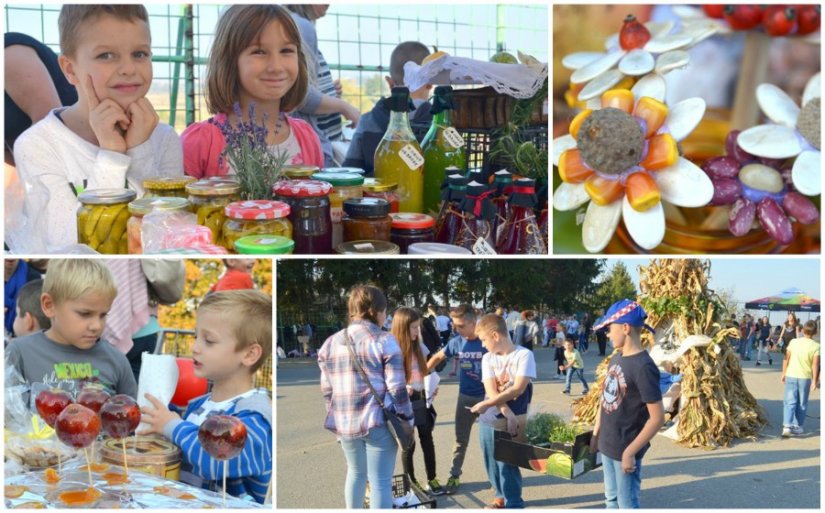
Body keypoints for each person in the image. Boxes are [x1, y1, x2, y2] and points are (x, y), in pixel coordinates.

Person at [11, 6, 183, 253]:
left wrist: (139, 150)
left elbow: (165, 235)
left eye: (140, 54)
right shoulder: (37, 145)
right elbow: (67, 245)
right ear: (70, 69)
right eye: (106, 56)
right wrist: (112, 156)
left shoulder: (164, 139)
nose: (129, 68)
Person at [139, 290, 272, 504]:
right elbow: (184, 450)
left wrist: (172, 425)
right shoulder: (200, 406)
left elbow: (216, 460)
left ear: (249, 355)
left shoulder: (256, 417)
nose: (195, 347)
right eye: (195, 337)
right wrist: (158, 420)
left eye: (208, 341)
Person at [182, 5, 323, 178]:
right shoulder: (199, 142)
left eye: (286, 51)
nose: (276, 67)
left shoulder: (307, 138)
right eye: (259, 52)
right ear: (230, 61)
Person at [317, 285, 411, 509]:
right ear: (376, 311)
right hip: (376, 420)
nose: (385, 316)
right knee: (380, 483)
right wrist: (407, 420)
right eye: (385, 311)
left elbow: (327, 391)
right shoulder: (385, 340)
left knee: (356, 474)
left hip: (345, 423)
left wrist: (337, 424)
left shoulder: (330, 342)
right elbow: (397, 388)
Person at [5, 259, 137, 397]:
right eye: (85, 314)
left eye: (103, 315)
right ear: (49, 305)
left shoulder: (116, 360)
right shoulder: (20, 353)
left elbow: (128, 413)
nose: (97, 326)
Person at [591, 299, 664, 509]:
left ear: (625, 328)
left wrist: (630, 452)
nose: (607, 334)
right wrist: (596, 433)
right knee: (611, 500)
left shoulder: (644, 367)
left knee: (626, 504)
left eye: (609, 328)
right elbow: (604, 399)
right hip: (607, 444)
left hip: (625, 449)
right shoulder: (616, 359)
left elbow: (657, 418)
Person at [469, 314, 535, 509]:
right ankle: (499, 497)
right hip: (492, 417)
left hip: (516, 417)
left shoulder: (524, 355)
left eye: (483, 340)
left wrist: (506, 412)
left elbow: (518, 389)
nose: (482, 345)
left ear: (495, 336)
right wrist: (506, 411)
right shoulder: (487, 358)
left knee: (508, 461)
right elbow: (490, 390)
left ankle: (514, 502)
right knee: (490, 458)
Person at [285, 4, 360, 166]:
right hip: (315, 145)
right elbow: (301, 94)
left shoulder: (299, 24)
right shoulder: (302, 26)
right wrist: (344, 107)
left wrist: (328, 92)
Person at [342, 41, 432, 175]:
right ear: (430, 83)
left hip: (376, 194)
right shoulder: (439, 123)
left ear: (389, 82)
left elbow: (350, 170)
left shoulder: (367, 121)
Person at [426, 304, 486, 495]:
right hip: (466, 398)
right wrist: (422, 374)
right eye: (455, 325)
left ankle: (499, 479)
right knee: (461, 440)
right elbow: (438, 357)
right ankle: (454, 474)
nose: (456, 329)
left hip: (489, 399)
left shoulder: (487, 341)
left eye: (460, 325)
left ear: (473, 322)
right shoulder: (457, 342)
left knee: (495, 442)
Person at [391, 307, 444, 496]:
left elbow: (428, 370)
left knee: (427, 438)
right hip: (403, 401)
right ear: (402, 328)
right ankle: (410, 482)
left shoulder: (420, 346)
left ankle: (432, 478)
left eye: (417, 327)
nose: (417, 331)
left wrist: (433, 384)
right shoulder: (393, 350)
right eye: (413, 328)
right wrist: (404, 388)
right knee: (409, 445)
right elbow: (388, 380)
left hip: (422, 398)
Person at [780, 320, 820, 437]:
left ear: (802, 330)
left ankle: (787, 426)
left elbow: (786, 358)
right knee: (802, 402)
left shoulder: (794, 342)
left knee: (789, 401)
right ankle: (798, 426)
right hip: (805, 378)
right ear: (815, 332)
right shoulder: (817, 346)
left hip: (791, 374)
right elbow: (815, 364)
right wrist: (814, 381)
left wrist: (784, 373)